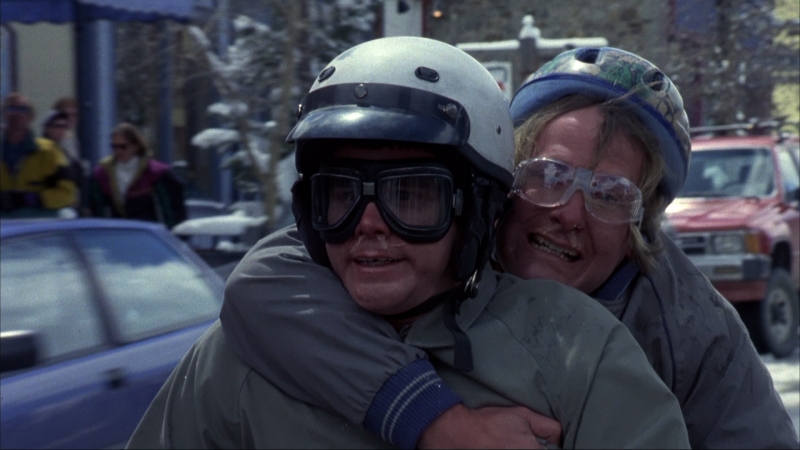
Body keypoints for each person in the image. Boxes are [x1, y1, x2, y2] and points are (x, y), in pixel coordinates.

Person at [219, 47, 800, 449]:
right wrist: (437, 421)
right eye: (548, 175)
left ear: (640, 224)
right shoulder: (435, 249)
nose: (568, 213)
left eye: (608, 194)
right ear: (499, 181)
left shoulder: (691, 330)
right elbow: (266, 280)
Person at [126, 37, 690, 449]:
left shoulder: (576, 352)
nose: (369, 223)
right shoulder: (247, 357)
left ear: (476, 210)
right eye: (341, 195)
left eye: (413, 194)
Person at [89, 122, 187, 228]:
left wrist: (173, 232)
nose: (118, 151)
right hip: (118, 231)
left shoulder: (155, 172)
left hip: (146, 231)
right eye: (114, 147)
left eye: (123, 146)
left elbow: (171, 209)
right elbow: (97, 208)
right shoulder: (103, 173)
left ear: (135, 146)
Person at [1, 92, 77, 218]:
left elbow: (67, 194)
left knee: (67, 214)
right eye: (12, 109)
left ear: (31, 116)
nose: (17, 114)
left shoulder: (49, 150)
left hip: (39, 222)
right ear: (4, 114)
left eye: (22, 109)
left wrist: (31, 198)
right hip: (5, 223)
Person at [41, 109, 85, 213]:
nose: (62, 130)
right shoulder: (41, 150)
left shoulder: (69, 149)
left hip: (70, 203)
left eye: (65, 126)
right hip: (48, 205)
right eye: (58, 126)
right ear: (47, 128)